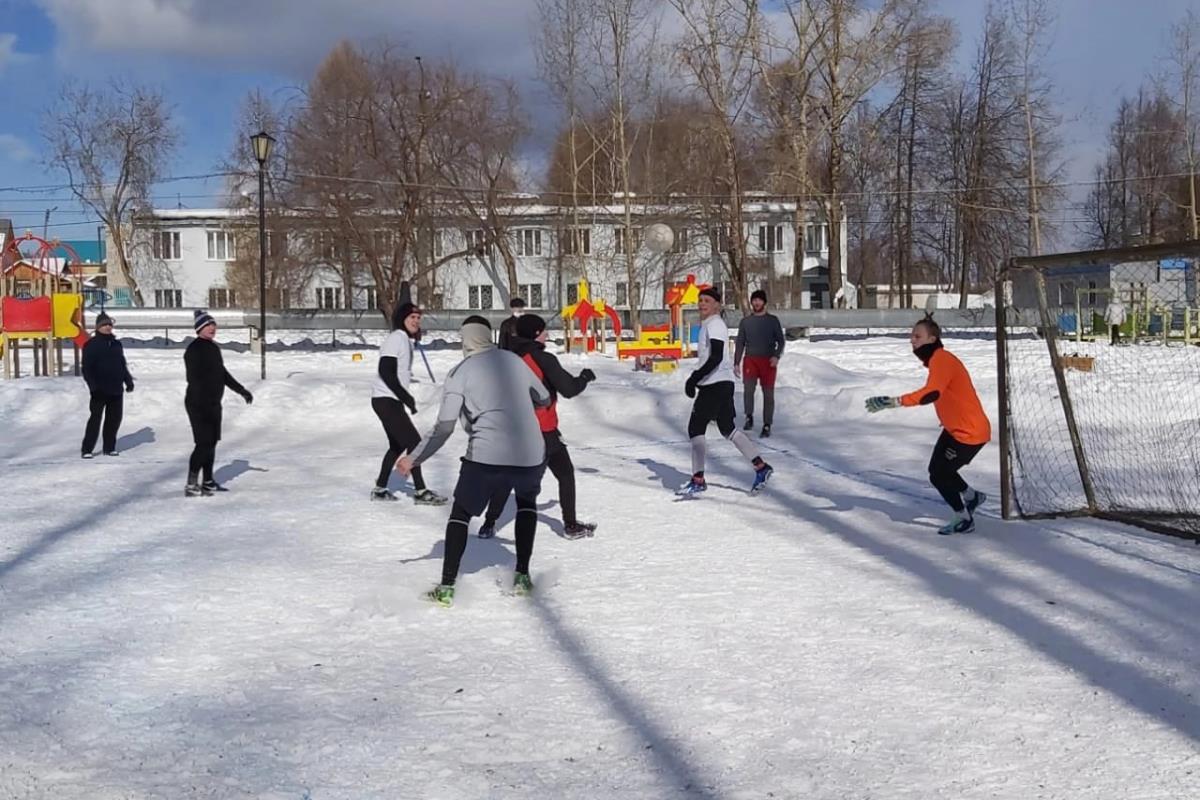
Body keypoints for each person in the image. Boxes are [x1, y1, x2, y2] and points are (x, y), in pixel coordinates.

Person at [396, 316, 551, 607]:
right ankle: (522, 577)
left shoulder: (460, 372)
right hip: (530, 454)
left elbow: (444, 427)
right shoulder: (513, 361)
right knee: (526, 503)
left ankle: (446, 587)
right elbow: (543, 397)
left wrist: (414, 459)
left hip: (487, 455)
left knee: (461, 513)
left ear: (465, 340)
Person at [864, 315, 991, 534]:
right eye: (911, 336)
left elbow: (932, 393)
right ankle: (972, 497)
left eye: (917, 336)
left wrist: (894, 401)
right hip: (955, 430)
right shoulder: (938, 360)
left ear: (932, 339)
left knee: (940, 475)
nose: (912, 341)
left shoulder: (941, 360)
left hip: (969, 434)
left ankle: (964, 518)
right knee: (938, 470)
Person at [477, 313, 597, 540]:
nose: (547, 334)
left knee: (508, 477)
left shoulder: (509, 357)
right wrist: (584, 377)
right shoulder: (542, 358)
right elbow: (569, 389)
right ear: (535, 334)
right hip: (543, 429)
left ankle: (488, 524)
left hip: (516, 429)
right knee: (565, 473)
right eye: (544, 331)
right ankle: (570, 525)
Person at [678, 287, 774, 497]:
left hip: (715, 384)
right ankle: (761, 467)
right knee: (727, 428)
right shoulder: (708, 324)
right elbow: (709, 357)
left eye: (707, 301)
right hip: (719, 383)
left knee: (695, 428)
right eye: (700, 300)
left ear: (717, 305)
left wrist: (694, 378)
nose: (702, 304)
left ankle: (698, 479)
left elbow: (716, 357)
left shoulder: (716, 324)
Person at [370, 302, 447, 505]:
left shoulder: (403, 339)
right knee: (415, 444)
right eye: (411, 317)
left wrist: (403, 397)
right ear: (402, 319)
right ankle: (421, 492)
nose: (416, 321)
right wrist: (405, 396)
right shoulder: (396, 338)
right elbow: (386, 370)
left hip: (388, 400)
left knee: (397, 445)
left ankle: (380, 489)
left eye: (418, 317)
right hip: (386, 400)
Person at [184, 310, 253, 497]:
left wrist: (241, 390)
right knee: (203, 443)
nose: (212, 328)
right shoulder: (194, 349)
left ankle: (207, 481)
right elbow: (193, 378)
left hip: (214, 403)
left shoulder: (213, 348)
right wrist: (203, 396)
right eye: (208, 325)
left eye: (214, 325)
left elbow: (222, 374)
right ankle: (191, 484)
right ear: (199, 328)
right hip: (198, 403)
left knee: (212, 443)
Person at [80, 311, 134, 458]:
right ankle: (87, 449)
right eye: (104, 325)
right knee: (95, 420)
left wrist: (128, 380)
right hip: (99, 389)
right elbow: (86, 368)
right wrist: (93, 387)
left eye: (109, 324)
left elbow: (121, 364)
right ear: (98, 327)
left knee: (114, 419)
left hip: (116, 389)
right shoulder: (91, 345)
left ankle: (109, 447)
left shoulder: (116, 344)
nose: (107, 327)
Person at [733, 289, 785, 437]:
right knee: (748, 390)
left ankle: (767, 424)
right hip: (750, 360)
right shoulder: (745, 322)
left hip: (768, 361)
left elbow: (780, 341)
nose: (756, 303)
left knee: (768, 393)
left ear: (764, 302)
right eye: (754, 300)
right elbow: (740, 343)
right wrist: (736, 362)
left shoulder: (772, 321)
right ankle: (748, 416)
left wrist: (776, 356)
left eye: (759, 300)